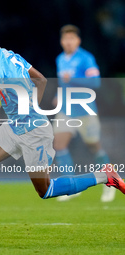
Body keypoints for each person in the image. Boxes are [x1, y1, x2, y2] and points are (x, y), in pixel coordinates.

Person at [0, 20, 125, 242]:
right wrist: (31, 108)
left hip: (34, 132)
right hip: (17, 125)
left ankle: (104, 175)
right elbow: (40, 79)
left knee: (46, 190)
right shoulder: (7, 54)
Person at [53, 24, 116, 202]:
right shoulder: (60, 59)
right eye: (65, 39)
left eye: (72, 39)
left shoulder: (86, 58)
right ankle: (72, 187)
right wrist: (59, 95)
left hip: (85, 111)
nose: (68, 42)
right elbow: (63, 83)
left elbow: (95, 83)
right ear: (61, 41)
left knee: (94, 146)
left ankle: (110, 182)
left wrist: (72, 79)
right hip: (66, 110)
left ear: (78, 41)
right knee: (59, 144)